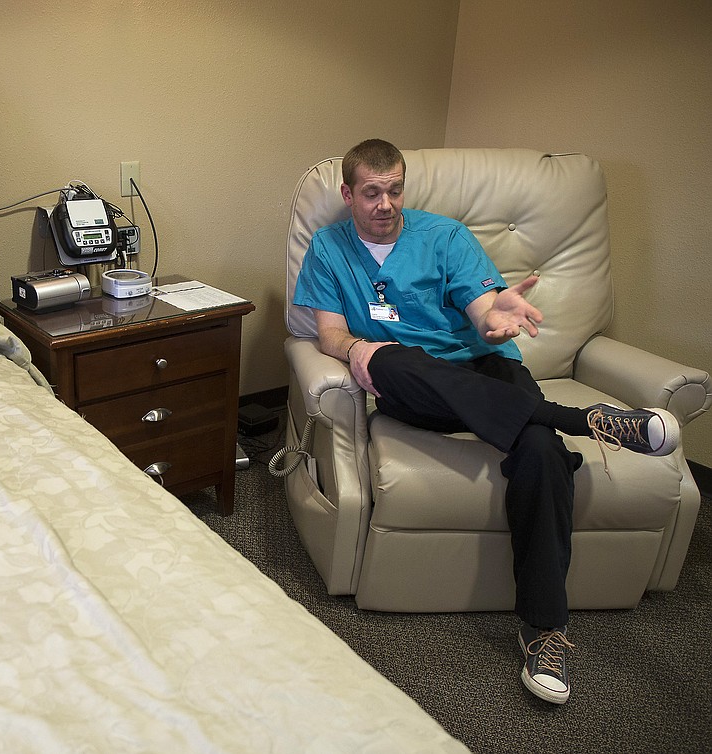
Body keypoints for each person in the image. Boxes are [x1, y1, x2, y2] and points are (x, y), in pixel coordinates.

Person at [292, 138, 681, 705]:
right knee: (385, 355)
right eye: (372, 192)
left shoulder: (445, 235)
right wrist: (355, 349)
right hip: (406, 377)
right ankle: (585, 420)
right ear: (348, 193)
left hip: (483, 365)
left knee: (543, 451)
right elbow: (329, 333)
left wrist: (495, 320)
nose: (386, 203)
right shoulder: (329, 248)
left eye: (395, 189)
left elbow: (485, 307)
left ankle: (546, 630)